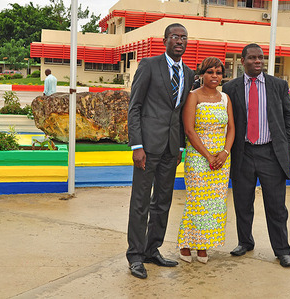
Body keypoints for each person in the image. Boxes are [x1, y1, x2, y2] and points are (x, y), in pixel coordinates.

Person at [126, 23, 194, 279]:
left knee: (163, 201)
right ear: (165, 40)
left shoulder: (188, 73)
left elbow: (179, 114)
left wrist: (179, 147)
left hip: (170, 149)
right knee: (140, 202)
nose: (180, 40)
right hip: (147, 147)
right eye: (175, 36)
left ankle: (151, 249)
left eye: (184, 37)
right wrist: (137, 145)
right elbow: (135, 107)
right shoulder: (149, 65)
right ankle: (135, 256)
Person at [222, 43, 290, 267]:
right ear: (243, 60)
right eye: (253, 58)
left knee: (276, 206)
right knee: (242, 203)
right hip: (243, 153)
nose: (258, 61)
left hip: (270, 154)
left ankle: (282, 250)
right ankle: (245, 242)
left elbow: (289, 117)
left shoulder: (278, 85)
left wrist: (286, 147)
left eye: (260, 58)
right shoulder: (231, 88)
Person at [177, 57, 235, 264]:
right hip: (199, 157)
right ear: (202, 74)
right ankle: (185, 243)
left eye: (218, 73)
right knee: (197, 201)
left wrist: (224, 153)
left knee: (215, 204)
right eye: (210, 72)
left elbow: (232, 129)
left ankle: (202, 245)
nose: (215, 76)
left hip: (222, 158)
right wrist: (209, 156)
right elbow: (189, 130)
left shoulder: (225, 98)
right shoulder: (193, 96)